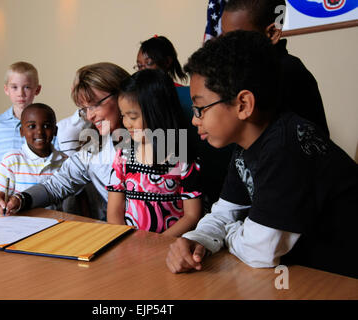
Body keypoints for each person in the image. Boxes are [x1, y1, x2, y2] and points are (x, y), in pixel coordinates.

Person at [166, 30, 357, 278]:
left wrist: (229, 233)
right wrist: (197, 239)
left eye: (200, 108)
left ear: (243, 104)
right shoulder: (245, 147)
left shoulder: (287, 147)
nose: (194, 120)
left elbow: (260, 251)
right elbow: (225, 212)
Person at [0, 62, 130, 220]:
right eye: (85, 109)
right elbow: (57, 184)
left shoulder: (155, 141)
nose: (90, 116)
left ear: (123, 95)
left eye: (95, 105)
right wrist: (20, 199)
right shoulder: (94, 147)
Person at [136, 35, 233, 212]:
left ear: (166, 62)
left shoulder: (186, 96)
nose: (142, 71)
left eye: (148, 64)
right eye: (139, 66)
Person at [106, 69, 203, 237]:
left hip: (168, 246)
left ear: (157, 112)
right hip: (128, 243)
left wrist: (158, 243)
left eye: (133, 116)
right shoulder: (124, 154)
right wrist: (124, 239)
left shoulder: (181, 158)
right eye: (123, 116)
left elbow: (192, 215)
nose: (126, 123)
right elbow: (114, 211)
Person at [221, 0, 330, 136]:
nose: (227, 47)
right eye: (224, 37)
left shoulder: (285, 71)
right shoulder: (248, 71)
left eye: (236, 39)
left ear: (272, 34)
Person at [0, 61, 58, 196]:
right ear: (6, 89)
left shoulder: (45, 127)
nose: (20, 93)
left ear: (37, 89)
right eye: (14, 87)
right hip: (1, 195)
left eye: (26, 87)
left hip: (33, 195)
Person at [0, 103, 67, 210]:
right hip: (20, 222)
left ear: (55, 131)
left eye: (46, 126)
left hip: (55, 222)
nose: (39, 132)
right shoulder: (12, 159)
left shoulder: (65, 161)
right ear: (22, 131)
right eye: (31, 126)